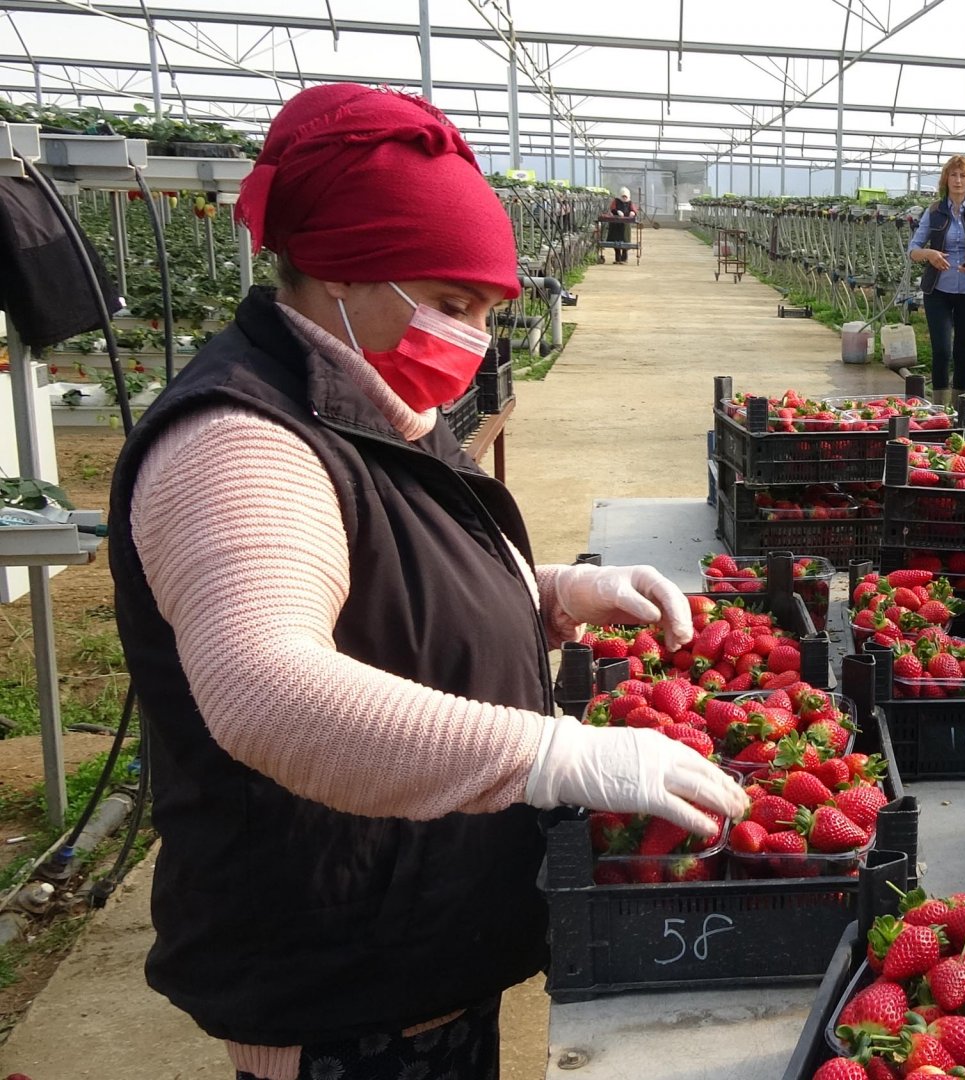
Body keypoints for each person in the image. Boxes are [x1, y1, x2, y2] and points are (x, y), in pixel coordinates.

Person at [107, 84, 748, 1080]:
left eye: (486, 311)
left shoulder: (364, 396)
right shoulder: (237, 443)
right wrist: (552, 753)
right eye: (451, 304)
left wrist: (546, 594)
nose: (473, 338)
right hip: (340, 992)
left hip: (412, 943)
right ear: (339, 270)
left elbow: (386, 582)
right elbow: (266, 692)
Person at [906, 155, 965, 403]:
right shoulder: (934, 211)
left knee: (963, 352)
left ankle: (959, 412)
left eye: (963, 175)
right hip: (938, 290)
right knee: (942, 351)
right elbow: (913, 249)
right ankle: (939, 410)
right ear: (946, 179)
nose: (958, 180)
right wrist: (929, 254)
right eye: (953, 175)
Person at [606, 186, 637, 263]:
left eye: (625, 196)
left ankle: (624, 257)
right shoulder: (616, 201)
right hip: (615, 224)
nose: (624, 198)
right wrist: (617, 212)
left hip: (625, 225)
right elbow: (612, 209)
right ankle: (617, 258)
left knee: (625, 240)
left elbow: (634, 210)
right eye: (623, 196)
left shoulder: (630, 203)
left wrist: (632, 212)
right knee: (616, 241)